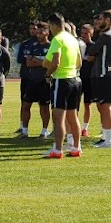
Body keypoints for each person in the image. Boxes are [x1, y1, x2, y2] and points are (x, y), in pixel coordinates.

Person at [42, 13, 82, 158]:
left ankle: (57, 150)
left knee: (58, 117)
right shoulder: (72, 39)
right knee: (73, 116)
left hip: (62, 80)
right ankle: (76, 148)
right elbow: (79, 62)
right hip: (75, 80)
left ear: (52, 25)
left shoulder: (57, 40)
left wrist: (47, 74)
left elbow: (54, 62)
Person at [87, 10, 111, 149]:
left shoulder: (105, 35)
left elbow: (91, 52)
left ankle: (108, 141)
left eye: (100, 19)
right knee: (110, 108)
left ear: (107, 20)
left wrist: (91, 52)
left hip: (103, 74)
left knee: (105, 108)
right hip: (108, 74)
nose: (98, 22)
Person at [20, 22, 52, 139]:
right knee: (26, 105)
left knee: (44, 107)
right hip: (32, 80)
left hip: (45, 81)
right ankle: (24, 131)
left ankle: (44, 131)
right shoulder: (32, 46)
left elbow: (51, 65)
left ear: (47, 33)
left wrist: (37, 60)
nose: (38, 35)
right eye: (37, 33)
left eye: (40, 32)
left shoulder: (51, 46)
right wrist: (44, 63)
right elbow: (28, 63)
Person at [16, 21, 38, 135]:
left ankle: (46, 129)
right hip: (26, 76)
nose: (33, 31)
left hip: (39, 78)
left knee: (43, 104)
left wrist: (31, 60)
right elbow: (20, 59)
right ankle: (22, 126)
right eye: (31, 28)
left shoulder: (43, 44)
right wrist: (34, 60)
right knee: (24, 103)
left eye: (34, 28)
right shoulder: (24, 43)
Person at [79, 23, 95, 137]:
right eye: (82, 33)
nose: (83, 35)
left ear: (91, 33)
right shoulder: (77, 45)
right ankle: (72, 127)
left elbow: (90, 59)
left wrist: (82, 57)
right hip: (77, 78)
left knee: (87, 104)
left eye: (86, 33)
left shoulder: (94, 46)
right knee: (74, 104)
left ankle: (85, 128)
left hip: (89, 78)